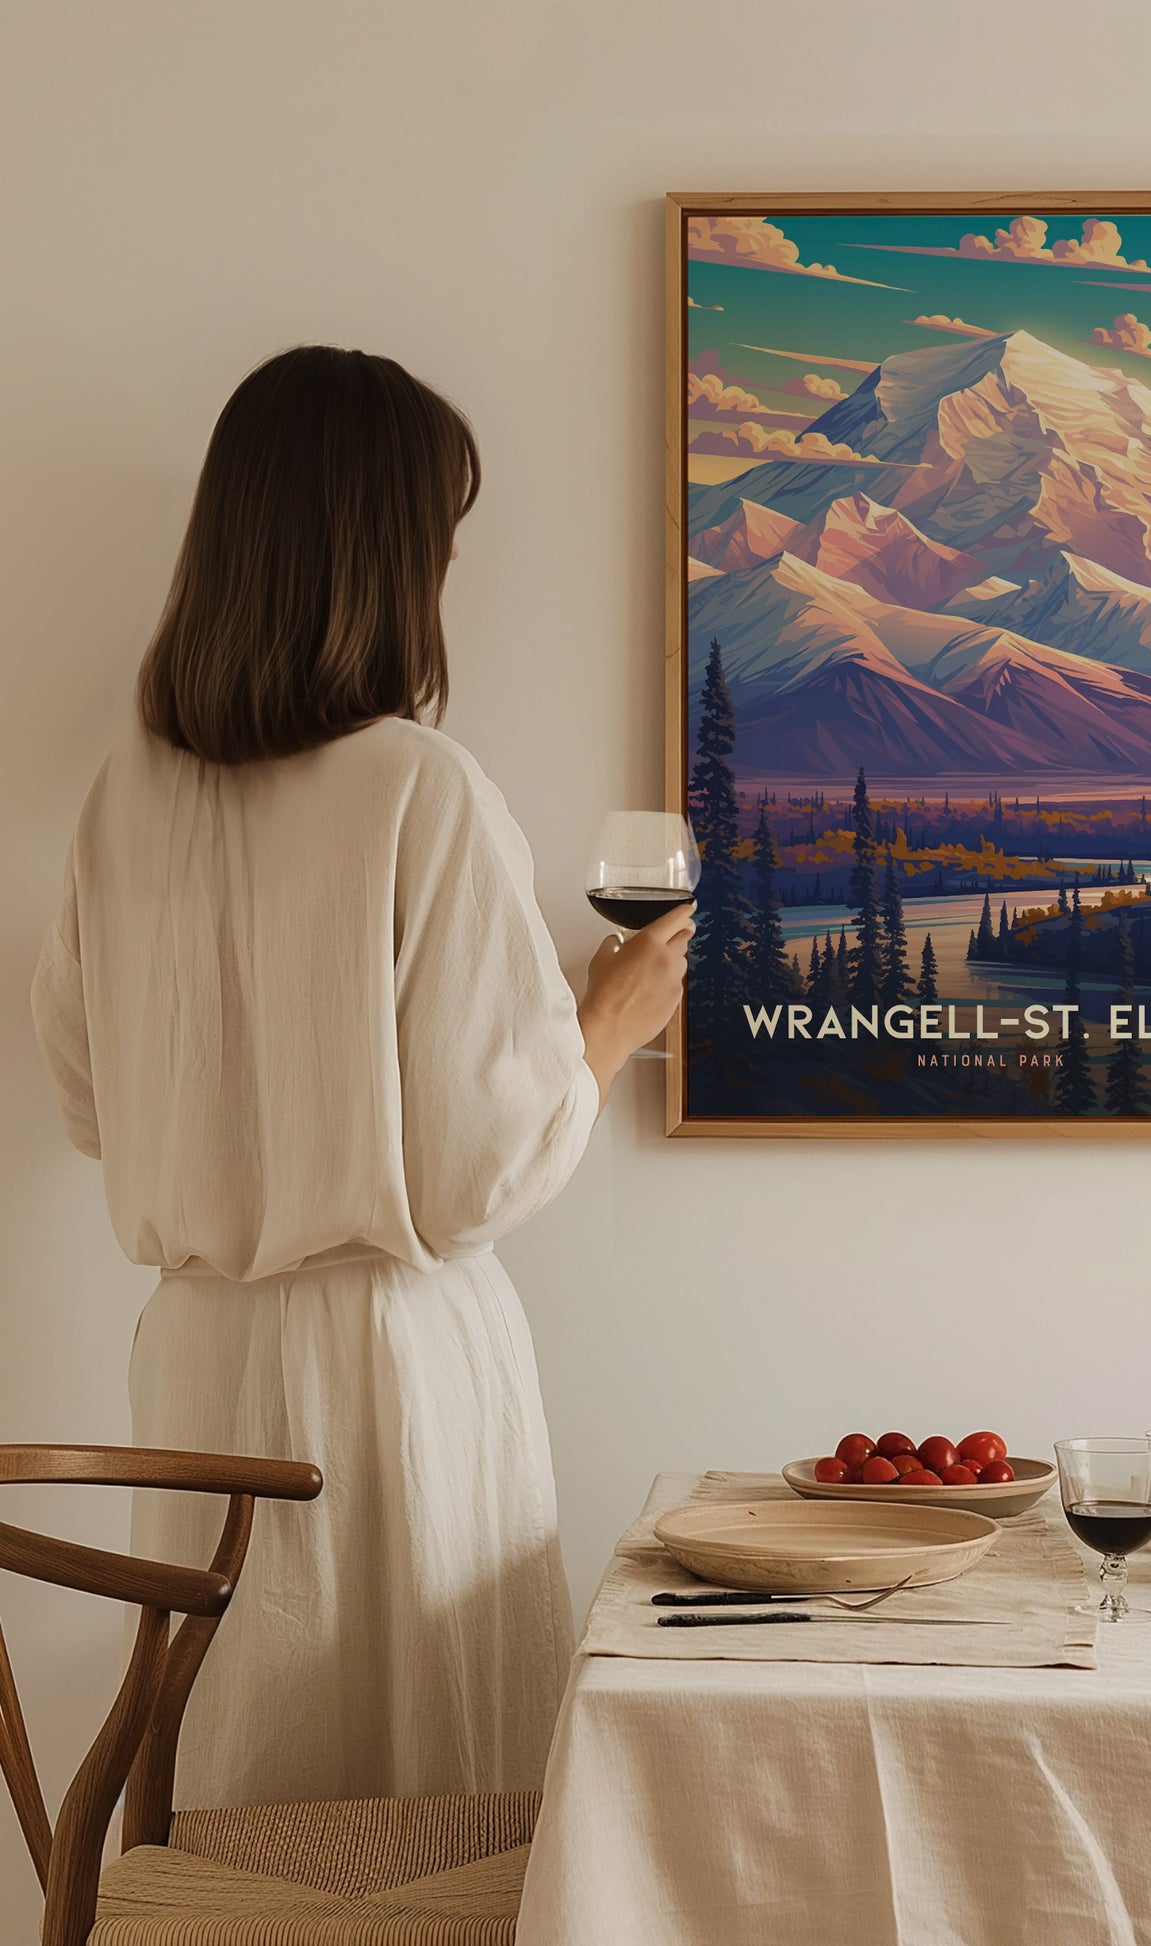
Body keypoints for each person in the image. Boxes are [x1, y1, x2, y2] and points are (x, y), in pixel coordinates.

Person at [29, 345, 690, 1807]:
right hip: (390, 1371)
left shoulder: (122, 797)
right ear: (387, 556)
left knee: (241, 1787)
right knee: (423, 1808)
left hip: (197, 1361)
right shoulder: (417, 785)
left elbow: (88, 1101)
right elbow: (474, 1172)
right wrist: (606, 1021)